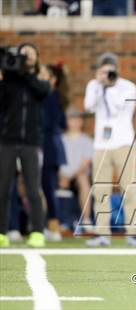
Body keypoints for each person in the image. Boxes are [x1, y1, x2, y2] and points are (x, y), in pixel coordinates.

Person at [84, 52, 136, 247]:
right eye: (103, 69)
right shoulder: (94, 86)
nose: (108, 72)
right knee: (100, 190)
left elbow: (119, 108)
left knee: (129, 189)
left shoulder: (128, 86)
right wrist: (100, 85)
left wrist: (110, 88)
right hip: (101, 144)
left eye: (110, 69)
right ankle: (101, 233)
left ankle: (132, 232)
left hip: (124, 143)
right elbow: (89, 106)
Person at [0, 43, 50, 248]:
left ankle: (37, 231)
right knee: (2, 189)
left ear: (36, 58)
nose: (27, 56)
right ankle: (1, 232)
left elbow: (42, 92)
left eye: (31, 53)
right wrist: (8, 76)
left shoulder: (39, 81)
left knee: (32, 188)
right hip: (7, 142)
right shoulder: (9, 83)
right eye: (23, 54)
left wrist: (26, 72)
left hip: (31, 143)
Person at [39, 63, 68, 242]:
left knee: (49, 188)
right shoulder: (41, 95)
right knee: (39, 188)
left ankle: (53, 226)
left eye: (44, 75)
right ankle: (41, 225)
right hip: (41, 145)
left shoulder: (53, 96)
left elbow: (56, 123)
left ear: (53, 80)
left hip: (49, 147)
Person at [59, 106, 94, 232]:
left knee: (83, 180)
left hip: (78, 176)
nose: (75, 122)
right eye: (72, 119)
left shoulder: (87, 140)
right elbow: (57, 161)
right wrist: (62, 175)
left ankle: (86, 220)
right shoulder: (60, 140)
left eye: (78, 119)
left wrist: (70, 176)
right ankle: (54, 222)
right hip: (62, 175)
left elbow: (85, 164)